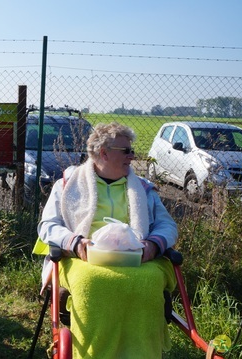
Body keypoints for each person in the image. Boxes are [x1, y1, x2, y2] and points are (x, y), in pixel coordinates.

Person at [37, 122, 178, 358]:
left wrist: (153, 244)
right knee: (91, 282)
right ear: (104, 153)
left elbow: (167, 225)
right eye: (127, 151)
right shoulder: (67, 184)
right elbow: (47, 226)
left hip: (138, 258)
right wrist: (75, 242)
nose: (133, 157)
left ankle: (141, 352)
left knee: (152, 279)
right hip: (83, 258)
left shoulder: (143, 189)